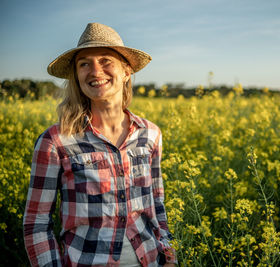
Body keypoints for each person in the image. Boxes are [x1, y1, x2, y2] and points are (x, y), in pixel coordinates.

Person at [23, 22, 176, 267]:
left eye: (106, 60)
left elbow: (157, 206)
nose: (95, 71)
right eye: (84, 63)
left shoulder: (150, 134)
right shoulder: (55, 141)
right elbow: (36, 223)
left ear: (126, 71)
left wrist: (170, 256)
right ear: (77, 75)